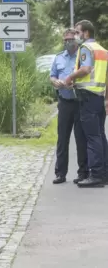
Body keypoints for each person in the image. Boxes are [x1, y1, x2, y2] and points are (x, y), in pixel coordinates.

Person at [65, 20, 108, 187]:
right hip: (98, 97)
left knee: (92, 137)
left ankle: (96, 175)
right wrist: (106, 99)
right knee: (100, 135)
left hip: (88, 97)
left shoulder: (86, 48)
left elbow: (86, 69)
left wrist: (69, 78)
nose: (76, 35)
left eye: (77, 32)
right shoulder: (103, 50)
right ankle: (104, 173)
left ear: (86, 33)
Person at [50, 29, 88, 184]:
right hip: (64, 102)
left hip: (79, 102)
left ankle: (83, 172)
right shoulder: (59, 58)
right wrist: (55, 82)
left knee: (81, 139)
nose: (68, 42)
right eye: (65, 40)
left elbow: (87, 74)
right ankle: (60, 173)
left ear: (77, 40)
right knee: (62, 138)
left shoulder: (83, 56)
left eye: (71, 39)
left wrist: (74, 83)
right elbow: (52, 76)